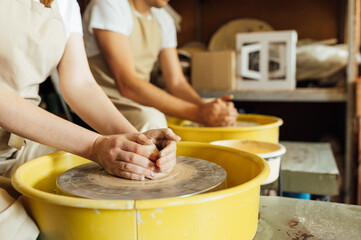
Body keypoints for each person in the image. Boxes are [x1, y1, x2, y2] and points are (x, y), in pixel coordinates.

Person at [0, 0, 180, 238]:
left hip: (20, 142)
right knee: (17, 228)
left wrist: (138, 142)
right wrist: (95, 146)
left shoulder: (64, 4)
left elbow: (79, 84)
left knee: (106, 191)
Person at [82, 0, 239, 132]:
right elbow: (127, 84)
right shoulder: (110, 4)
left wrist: (209, 109)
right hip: (102, 101)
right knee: (152, 119)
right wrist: (198, 113)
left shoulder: (163, 18)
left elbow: (177, 83)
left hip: (137, 100)